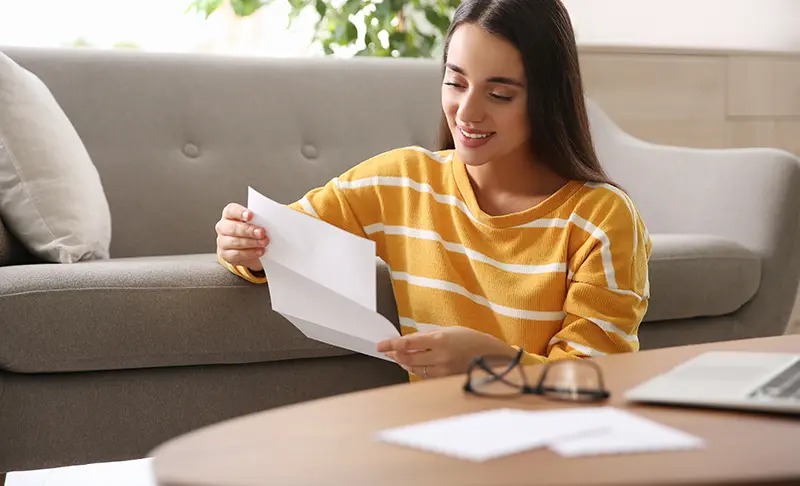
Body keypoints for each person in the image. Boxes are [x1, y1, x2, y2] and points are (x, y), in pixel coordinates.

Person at [214, 0, 651, 380]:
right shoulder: (402, 181)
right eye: (456, 82)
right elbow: (279, 236)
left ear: (547, 99)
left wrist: (489, 360)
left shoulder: (601, 219)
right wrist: (243, 245)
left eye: (499, 94)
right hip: (434, 446)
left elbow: (596, 382)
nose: (467, 111)